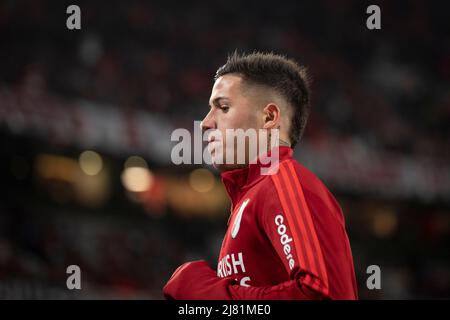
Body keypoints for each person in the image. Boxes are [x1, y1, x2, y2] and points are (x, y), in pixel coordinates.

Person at [163, 52, 358, 299]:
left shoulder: (282, 181)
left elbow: (320, 294)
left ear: (269, 117)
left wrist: (210, 296)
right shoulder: (253, 195)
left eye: (223, 107)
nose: (205, 123)